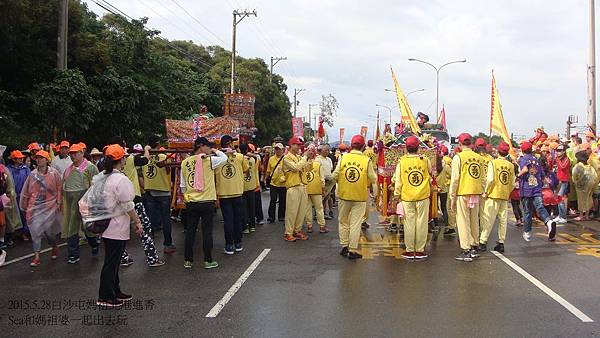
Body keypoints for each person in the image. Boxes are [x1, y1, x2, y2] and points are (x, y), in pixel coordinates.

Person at [94, 144, 143, 308]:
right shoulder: (120, 179)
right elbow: (127, 205)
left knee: (113, 260)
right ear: (121, 159)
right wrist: (137, 221)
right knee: (111, 262)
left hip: (105, 224)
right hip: (116, 225)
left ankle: (115, 290)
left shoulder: (101, 176)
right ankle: (105, 295)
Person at [116, 138, 164, 268]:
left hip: (118, 201)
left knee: (121, 229)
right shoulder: (130, 158)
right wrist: (147, 150)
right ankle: (152, 258)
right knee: (144, 227)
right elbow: (145, 160)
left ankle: (123, 257)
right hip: (134, 198)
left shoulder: (107, 163)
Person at [181, 137, 227, 269]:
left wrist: (188, 195)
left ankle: (188, 260)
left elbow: (183, 185)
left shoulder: (185, 162)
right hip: (206, 201)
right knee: (207, 231)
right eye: (208, 146)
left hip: (191, 202)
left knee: (190, 231)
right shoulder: (209, 160)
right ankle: (208, 260)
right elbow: (224, 158)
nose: (209, 149)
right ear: (202, 146)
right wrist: (214, 150)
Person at [332, 135, 377, 259]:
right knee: (356, 223)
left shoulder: (343, 158)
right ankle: (352, 250)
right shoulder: (366, 160)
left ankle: (344, 246)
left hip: (344, 195)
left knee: (343, 221)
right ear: (363, 147)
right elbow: (373, 178)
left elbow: (335, 175)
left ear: (351, 145)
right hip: (360, 196)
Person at [19, 150, 62, 266]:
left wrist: (58, 202)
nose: (39, 160)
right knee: (35, 231)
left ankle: (54, 246)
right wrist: (25, 205)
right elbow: (27, 191)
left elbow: (59, 187)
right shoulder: (32, 175)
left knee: (49, 232)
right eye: (37, 158)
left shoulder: (54, 173)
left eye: (42, 158)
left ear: (47, 160)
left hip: (50, 206)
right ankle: (36, 256)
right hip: (35, 207)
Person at [394, 136, 431, 260]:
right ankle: (420, 250)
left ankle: (410, 251)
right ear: (418, 147)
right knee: (422, 223)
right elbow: (431, 174)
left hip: (407, 196)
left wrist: (396, 195)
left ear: (406, 148)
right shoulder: (425, 160)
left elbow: (398, 180)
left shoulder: (402, 161)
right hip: (423, 196)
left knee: (409, 223)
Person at [62, 143, 100, 264]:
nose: (73, 156)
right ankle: (73, 254)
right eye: (71, 154)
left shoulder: (90, 167)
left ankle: (94, 244)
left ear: (82, 153)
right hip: (71, 202)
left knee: (86, 226)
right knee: (71, 226)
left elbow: (97, 185)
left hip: (86, 202)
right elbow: (64, 184)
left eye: (75, 153)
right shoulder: (69, 169)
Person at [449, 133, 483, 262]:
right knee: (474, 220)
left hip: (463, 193)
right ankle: (474, 246)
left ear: (460, 144)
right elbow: (482, 177)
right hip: (475, 192)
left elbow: (455, 179)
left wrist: (452, 196)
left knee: (463, 221)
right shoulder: (478, 157)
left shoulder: (458, 157)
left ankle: (466, 249)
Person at [215, 135, 249, 254]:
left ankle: (229, 245)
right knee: (237, 219)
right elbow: (246, 169)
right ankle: (238, 243)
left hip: (224, 194)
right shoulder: (240, 157)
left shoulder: (216, 158)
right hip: (237, 192)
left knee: (228, 220)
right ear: (230, 144)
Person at [518, 141, 557, 242]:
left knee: (527, 211)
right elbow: (543, 176)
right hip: (537, 188)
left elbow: (525, 169)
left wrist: (517, 176)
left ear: (522, 150)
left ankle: (527, 232)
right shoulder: (536, 159)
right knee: (540, 207)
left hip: (526, 189)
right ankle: (548, 221)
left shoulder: (524, 159)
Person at [143, 135, 175, 254]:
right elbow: (168, 170)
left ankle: (150, 245)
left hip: (150, 190)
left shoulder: (145, 157)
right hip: (163, 190)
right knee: (165, 218)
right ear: (158, 144)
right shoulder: (163, 156)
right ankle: (168, 244)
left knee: (150, 220)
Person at [479, 142, 514, 253]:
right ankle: (501, 242)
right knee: (503, 220)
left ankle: (483, 242)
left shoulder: (493, 163)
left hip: (493, 194)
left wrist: (486, 192)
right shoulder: (511, 165)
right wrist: (507, 191)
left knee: (488, 219)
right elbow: (512, 183)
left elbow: (490, 180)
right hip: (504, 195)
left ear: (497, 151)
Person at [282, 136, 312, 242]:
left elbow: (308, 169)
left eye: (300, 145)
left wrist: (309, 159)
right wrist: (305, 158)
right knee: (292, 211)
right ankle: (288, 232)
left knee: (301, 211)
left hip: (302, 185)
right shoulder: (286, 158)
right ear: (291, 145)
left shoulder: (299, 157)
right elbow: (296, 167)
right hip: (293, 186)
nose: (299, 147)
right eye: (297, 144)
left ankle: (297, 230)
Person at [303, 145, 329, 234]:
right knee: (319, 208)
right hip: (316, 189)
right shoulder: (318, 164)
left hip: (306, 188)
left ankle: (309, 226)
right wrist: (323, 189)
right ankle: (322, 226)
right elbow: (322, 179)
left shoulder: (302, 163)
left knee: (308, 208)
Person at [7, 150, 31, 240]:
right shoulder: (9, 169)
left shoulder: (25, 169)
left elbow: (30, 180)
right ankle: (18, 233)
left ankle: (27, 232)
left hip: (25, 195)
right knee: (17, 215)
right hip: (14, 196)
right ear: (14, 159)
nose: (21, 159)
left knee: (26, 214)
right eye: (19, 158)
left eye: (21, 158)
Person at [572, 150, 598, 221]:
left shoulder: (578, 166)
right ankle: (586, 215)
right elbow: (595, 176)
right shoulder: (590, 166)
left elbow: (574, 175)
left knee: (581, 200)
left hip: (580, 186)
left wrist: (576, 182)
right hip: (590, 185)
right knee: (588, 199)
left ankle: (581, 216)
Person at [240, 143, 259, 233]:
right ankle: (252, 225)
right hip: (252, 185)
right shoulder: (253, 159)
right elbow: (255, 172)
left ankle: (245, 226)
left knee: (244, 208)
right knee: (252, 206)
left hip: (242, 186)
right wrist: (257, 184)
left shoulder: (239, 159)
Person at [265, 143, 286, 223]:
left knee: (282, 200)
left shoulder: (285, 159)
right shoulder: (271, 159)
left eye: (279, 149)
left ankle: (281, 216)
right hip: (273, 183)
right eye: (276, 149)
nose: (277, 151)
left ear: (283, 150)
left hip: (283, 183)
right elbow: (268, 170)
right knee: (273, 200)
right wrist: (266, 178)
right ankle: (271, 216)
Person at [316, 145, 334, 220]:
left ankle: (325, 212)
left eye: (328, 150)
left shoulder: (329, 159)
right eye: (325, 150)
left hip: (329, 181)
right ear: (321, 150)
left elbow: (331, 169)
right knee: (320, 198)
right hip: (321, 181)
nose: (327, 151)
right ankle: (319, 214)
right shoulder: (317, 159)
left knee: (327, 197)